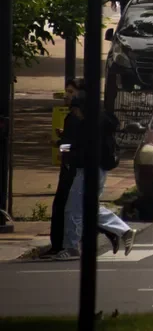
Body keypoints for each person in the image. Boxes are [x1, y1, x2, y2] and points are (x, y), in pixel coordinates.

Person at [56, 91, 136, 261]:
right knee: (88, 208)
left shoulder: (88, 126)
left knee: (73, 209)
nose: (75, 113)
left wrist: (63, 150)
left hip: (87, 171)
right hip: (96, 170)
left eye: (76, 109)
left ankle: (71, 247)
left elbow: (79, 150)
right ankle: (123, 231)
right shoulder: (99, 121)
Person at [40, 80, 85, 259]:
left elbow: (72, 146)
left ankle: (61, 245)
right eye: (66, 91)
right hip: (70, 166)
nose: (67, 95)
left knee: (64, 206)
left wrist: (58, 144)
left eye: (70, 91)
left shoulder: (74, 116)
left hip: (71, 167)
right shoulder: (73, 116)